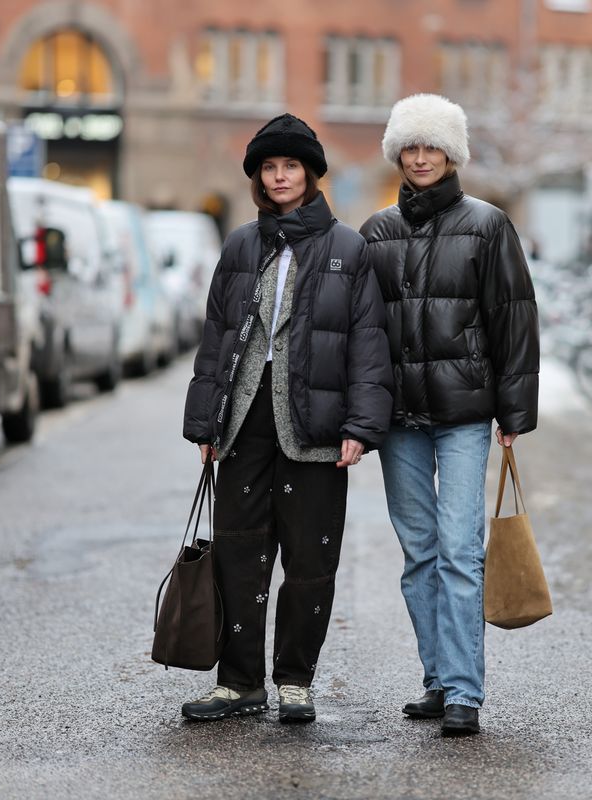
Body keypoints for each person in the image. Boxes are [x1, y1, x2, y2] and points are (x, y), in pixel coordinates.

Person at [181, 113, 393, 724]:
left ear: (310, 174)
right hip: (244, 419)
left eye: (290, 166)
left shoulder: (347, 248)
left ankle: (296, 680)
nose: (279, 176)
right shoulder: (241, 245)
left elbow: (367, 342)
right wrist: (205, 423)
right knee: (237, 553)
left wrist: (360, 427)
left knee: (310, 559)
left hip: (315, 423)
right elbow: (216, 336)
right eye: (270, 167)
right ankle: (239, 683)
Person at [360, 94, 539, 737]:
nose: (420, 157)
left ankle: (465, 689)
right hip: (398, 417)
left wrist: (514, 410)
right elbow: (362, 331)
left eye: (431, 146)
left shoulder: (488, 225)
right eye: (410, 146)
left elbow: (514, 318)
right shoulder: (376, 233)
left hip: (464, 411)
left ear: (452, 153)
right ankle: (437, 678)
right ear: (397, 154)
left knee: (459, 550)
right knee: (419, 552)